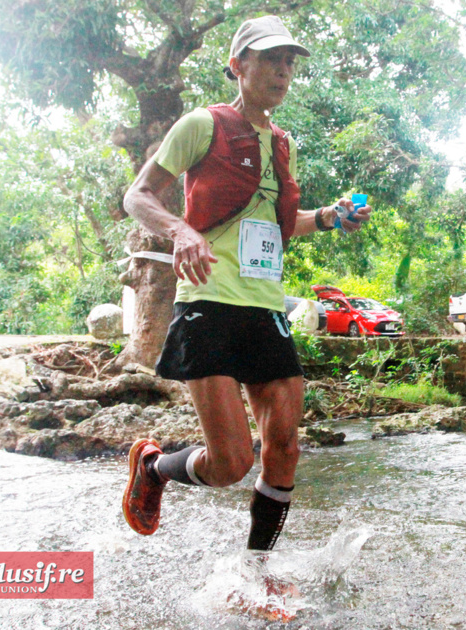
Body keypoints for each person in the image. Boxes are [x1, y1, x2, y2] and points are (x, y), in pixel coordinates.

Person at [121, 15, 371, 552]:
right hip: (208, 302)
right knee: (231, 463)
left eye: (289, 62)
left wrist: (327, 217)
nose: (282, 71)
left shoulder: (282, 143)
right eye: (270, 59)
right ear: (238, 66)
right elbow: (138, 196)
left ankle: (256, 575)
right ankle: (154, 467)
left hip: (265, 307)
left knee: (284, 446)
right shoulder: (200, 125)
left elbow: (277, 228)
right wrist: (180, 229)